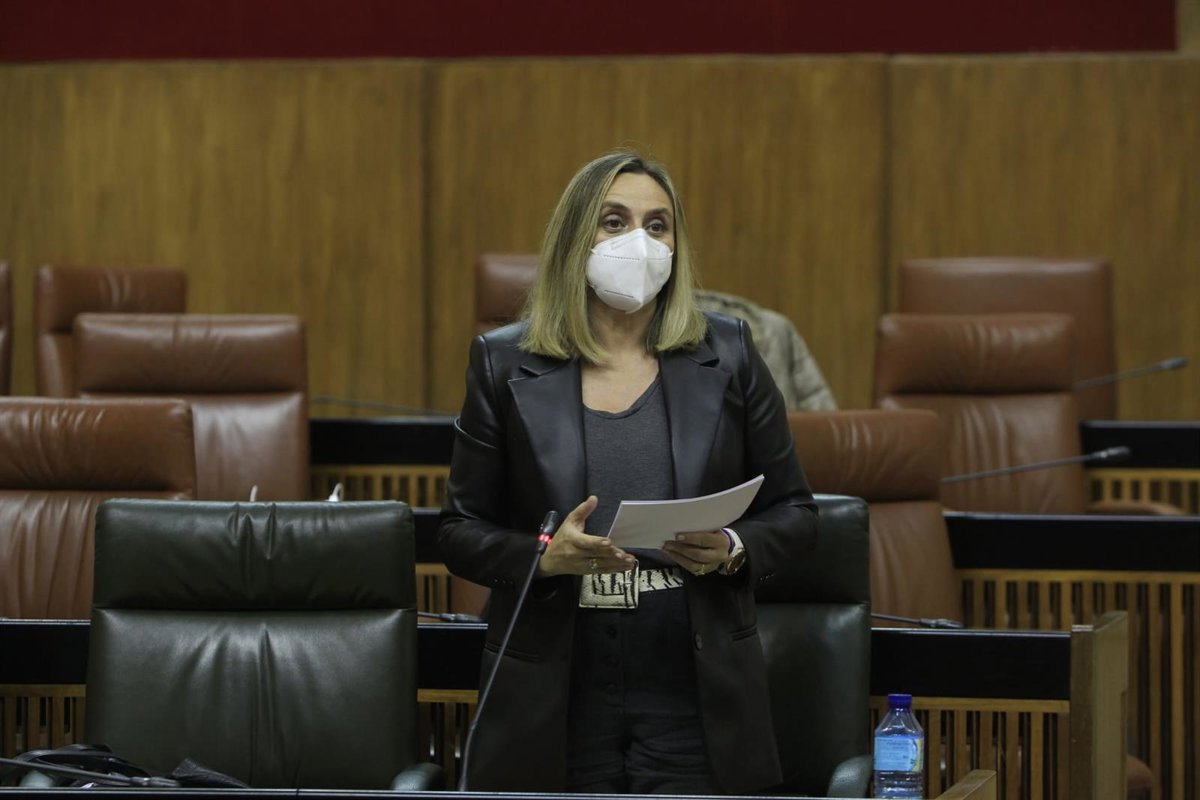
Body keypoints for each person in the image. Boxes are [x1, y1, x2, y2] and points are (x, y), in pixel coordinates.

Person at [438, 149, 818, 795]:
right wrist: (544, 558)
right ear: (575, 238)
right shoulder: (502, 363)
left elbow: (797, 514)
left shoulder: (728, 352)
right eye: (614, 221)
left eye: (657, 225)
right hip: (556, 687)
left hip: (692, 682)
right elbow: (458, 531)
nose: (638, 242)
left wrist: (732, 547)